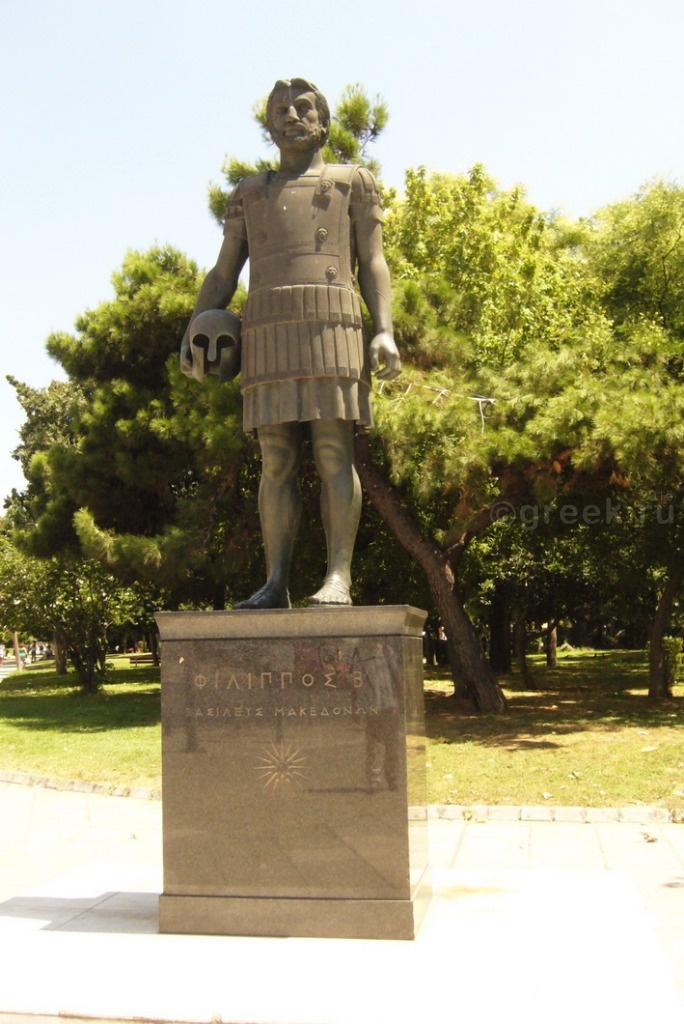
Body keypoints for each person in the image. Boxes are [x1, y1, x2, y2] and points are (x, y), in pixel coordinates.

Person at [181, 78, 401, 608]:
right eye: (280, 109)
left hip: (332, 323)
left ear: (324, 122)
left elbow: (373, 260)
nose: (291, 116)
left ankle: (338, 578)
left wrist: (385, 330)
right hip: (267, 328)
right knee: (275, 459)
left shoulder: (353, 182)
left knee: (332, 450)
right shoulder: (249, 193)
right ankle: (275, 582)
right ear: (270, 125)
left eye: (303, 107)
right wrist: (192, 329)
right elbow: (224, 272)